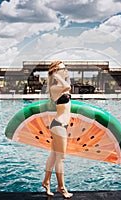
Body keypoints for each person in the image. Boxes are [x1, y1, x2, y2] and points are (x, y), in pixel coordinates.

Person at [42, 61, 73, 199]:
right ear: (55, 70)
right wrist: (57, 75)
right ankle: (61, 187)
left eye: (65, 68)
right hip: (59, 125)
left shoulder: (60, 85)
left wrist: (62, 74)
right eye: (62, 68)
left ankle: (46, 181)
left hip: (61, 125)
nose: (65, 70)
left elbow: (68, 86)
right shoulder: (55, 87)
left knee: (54, 155)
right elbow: (67, 86)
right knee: (61, 158)